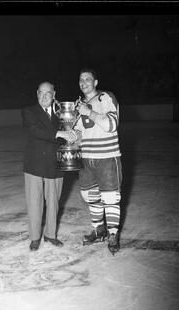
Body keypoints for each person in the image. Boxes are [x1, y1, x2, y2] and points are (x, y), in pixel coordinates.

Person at [73, 68, 122, 255]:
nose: (83, 82)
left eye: (88, 79)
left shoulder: (106, 98)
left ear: (95, 82)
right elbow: (80, 133)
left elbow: (111, 124)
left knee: (110, 197)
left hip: (107, 157)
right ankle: (99, 229)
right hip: (87, 158)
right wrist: (72, 136)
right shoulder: (79, 104)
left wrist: (88, 112)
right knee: (89, 195)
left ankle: (112, 234)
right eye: (80, 79)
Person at [22, 81, 75, 251]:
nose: (44, 96)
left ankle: (50, 234)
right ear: (37, 94)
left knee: (53, 202)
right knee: (34, 202)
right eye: (41, 93)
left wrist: (74, 134)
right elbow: (35, 131)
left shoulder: (63, 114)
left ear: (54, 94)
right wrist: (60, 133)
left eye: (48, 93)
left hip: (55, 163)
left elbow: (72, 131)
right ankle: (35, 237)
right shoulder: (29, 111)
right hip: (34, 164)